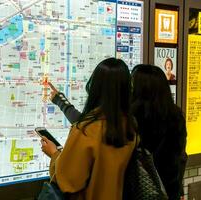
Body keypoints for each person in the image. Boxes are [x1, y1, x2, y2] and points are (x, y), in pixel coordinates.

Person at [41, 58, 137, 200]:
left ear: (94, 87)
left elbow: (68, 180)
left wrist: (54, 154)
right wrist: (61, 101)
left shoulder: (85, 130)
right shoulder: (130, 126)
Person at [131, 64, 187, 200]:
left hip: (141, 191)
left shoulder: (132, 117)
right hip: (169, 190)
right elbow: (179, 155)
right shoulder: (176, 116)